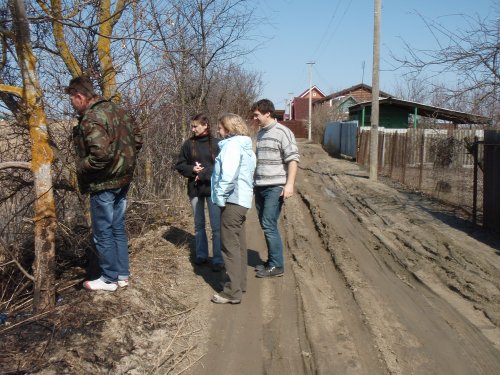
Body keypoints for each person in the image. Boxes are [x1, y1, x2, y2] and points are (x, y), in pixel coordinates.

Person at [67, 76, 142, 291]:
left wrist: (81, 166)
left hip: (104, 183)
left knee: (103, 232)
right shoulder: (118, 110)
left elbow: (100, 155)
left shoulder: (91, 117)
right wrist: (123, 161)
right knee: (117, 227)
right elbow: (137, 139)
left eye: (72, 99)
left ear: (80, 96)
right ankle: (122, 274)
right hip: (123, 179)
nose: (72, 104)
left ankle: (109, 278)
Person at [211, 113, 256, 304]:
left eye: (220, 128)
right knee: (238, 245)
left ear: (229, 129)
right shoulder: (246, 147)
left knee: (229, 247)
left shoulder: (232, 146)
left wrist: (220, 197)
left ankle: (231, 292)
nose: (218, 131)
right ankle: (240, 284)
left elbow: (228, 175)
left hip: (232, 201)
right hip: (243, 200)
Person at [251, 99, 299, 278]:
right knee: (266, 225)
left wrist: (290, 184)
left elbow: (293, 160)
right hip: (260, 186)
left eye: (256, 115)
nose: (254, 118)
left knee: (269, 224)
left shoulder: (283, 132)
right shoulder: (260, 133)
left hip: (275, 186)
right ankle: (271, 261)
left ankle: (277, 266)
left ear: (267, 113)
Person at [175, 114, 223, 272]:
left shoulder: (217, 144)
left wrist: (203, 173)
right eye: (192, 126)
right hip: (195, 189)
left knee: (216, 226)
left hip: (213, 189)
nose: (193, 129)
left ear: (205, 125)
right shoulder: (188, 144)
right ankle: (201, 255)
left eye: (196, 126)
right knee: (199, 224)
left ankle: (218, 258)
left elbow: (222, 166)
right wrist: (191, 169)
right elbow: (180, 164)